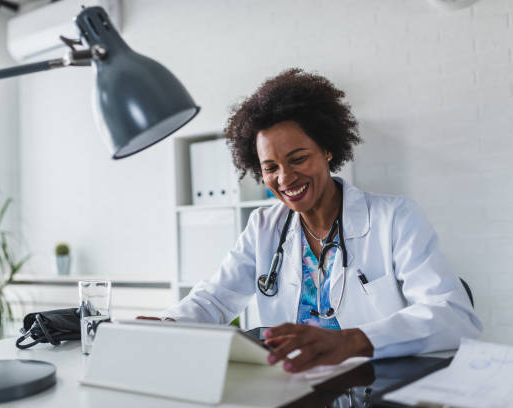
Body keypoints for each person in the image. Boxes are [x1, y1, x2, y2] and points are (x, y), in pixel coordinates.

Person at [141, 68, 482, 373]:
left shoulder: (394, 218)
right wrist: (169, 323)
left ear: (328, 150)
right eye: (270, 167)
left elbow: (455, 316)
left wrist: (354, 340)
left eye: (298, 158)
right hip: (298, 386)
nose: (285, 178)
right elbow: (215, 298)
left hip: (375, 384)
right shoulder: (264, 225)